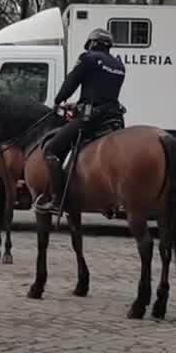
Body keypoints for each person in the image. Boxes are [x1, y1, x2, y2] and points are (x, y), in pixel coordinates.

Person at [34, 27, 126, 214]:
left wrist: (59, 100)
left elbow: (71, 82)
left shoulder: (88, 58)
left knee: (51, 150)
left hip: (90, 119)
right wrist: (77, 105)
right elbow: (102, 94)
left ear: (92, 43)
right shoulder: (119, 65)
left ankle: (57, 200)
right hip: (114, 119)